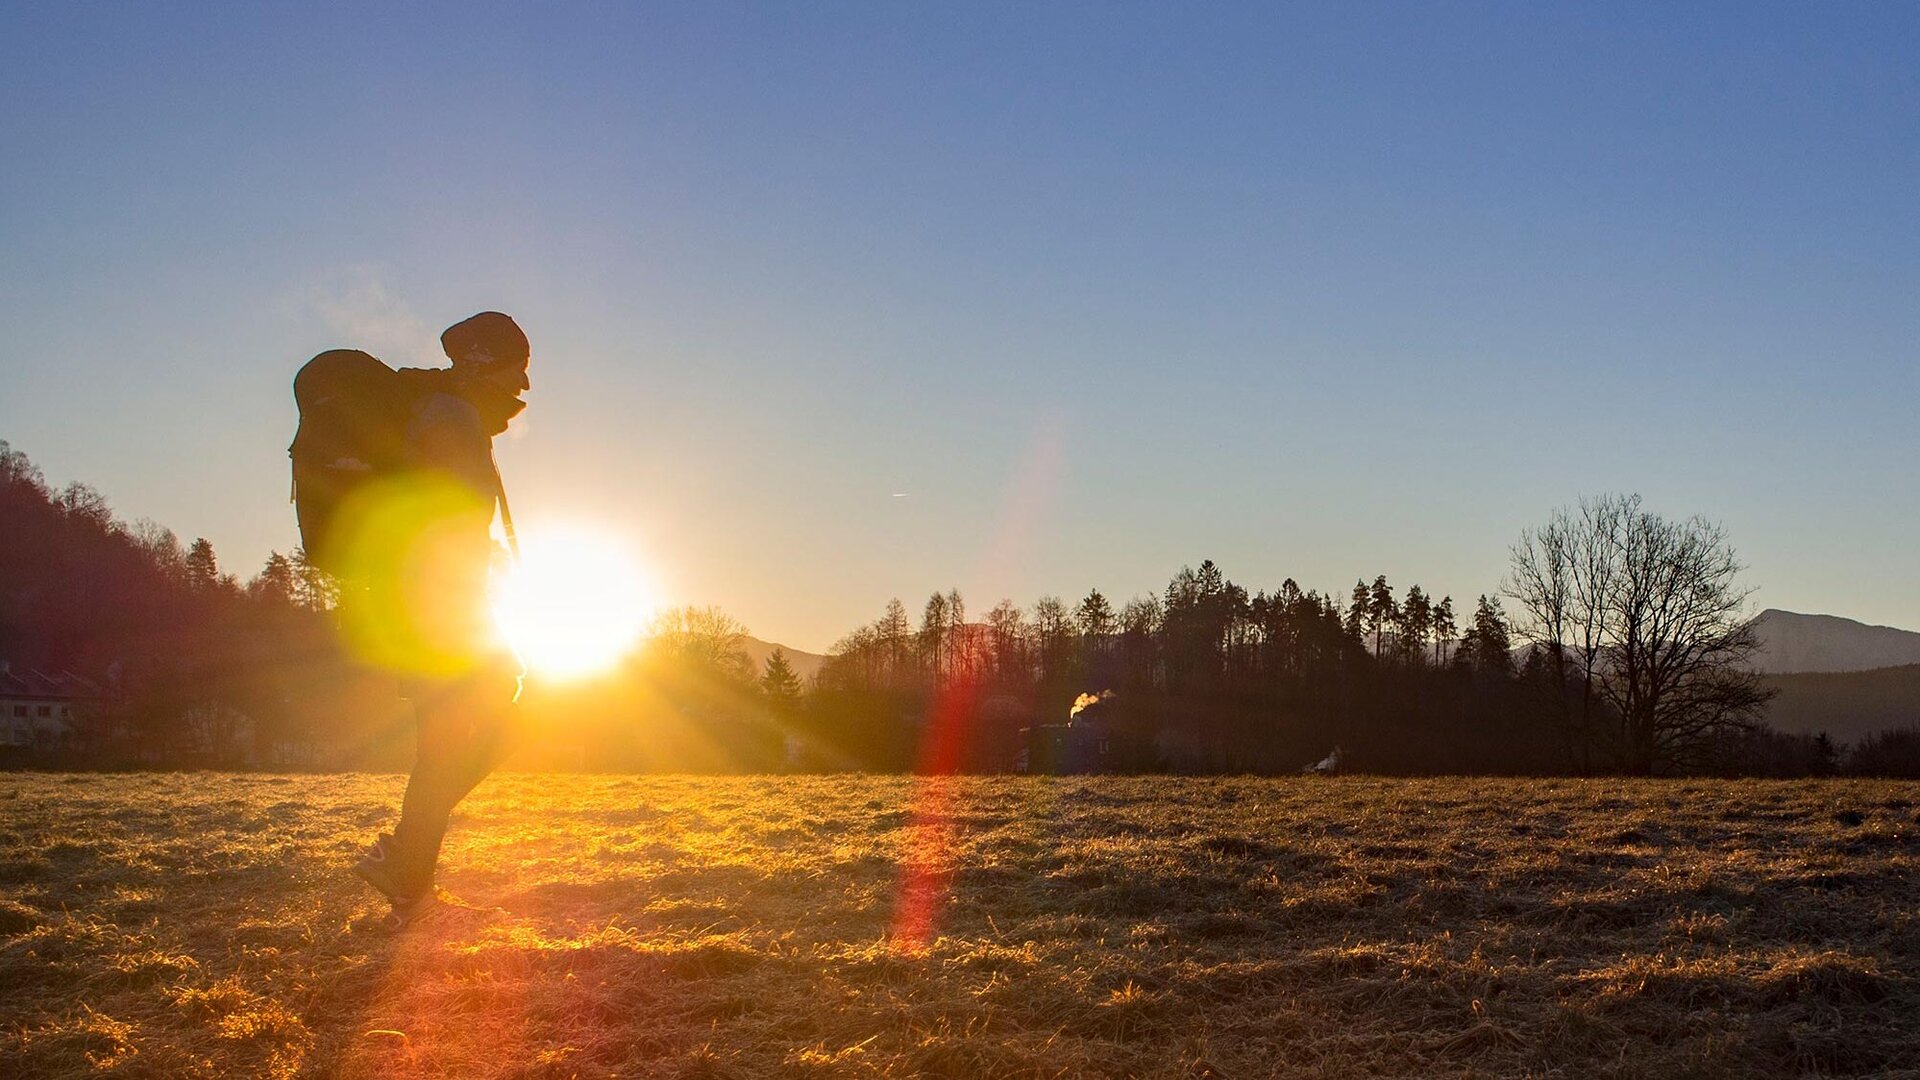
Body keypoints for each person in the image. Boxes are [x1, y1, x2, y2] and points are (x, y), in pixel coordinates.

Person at [347, 311, 531, 922]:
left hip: (426, 606)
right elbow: (447, 520)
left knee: (446, 744)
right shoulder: (450, 418)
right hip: (435, 611)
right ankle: (405, 863)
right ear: (484, 364)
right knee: (502, 716)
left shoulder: (446, 412)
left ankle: (409, 880)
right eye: (515, 371)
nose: (523, 387)